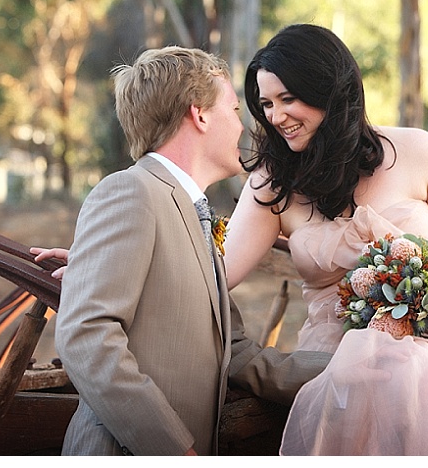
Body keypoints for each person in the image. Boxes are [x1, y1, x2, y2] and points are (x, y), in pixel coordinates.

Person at [225, 23, 428, 454]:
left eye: (288, 99)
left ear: (329, 90)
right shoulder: (273, 181)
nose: (276, 117)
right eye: (266, 104)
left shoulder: (417, 151)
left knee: (424, 379)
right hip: (336, 366)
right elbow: (221, 272)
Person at [52, 45, 329, 456]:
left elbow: (234, 355)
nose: (243, 126)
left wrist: (352, 372)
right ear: (199, 114)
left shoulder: (190, 213)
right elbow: (85, 334)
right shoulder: (131, 191)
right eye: (234, 110)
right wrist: (172, 449)